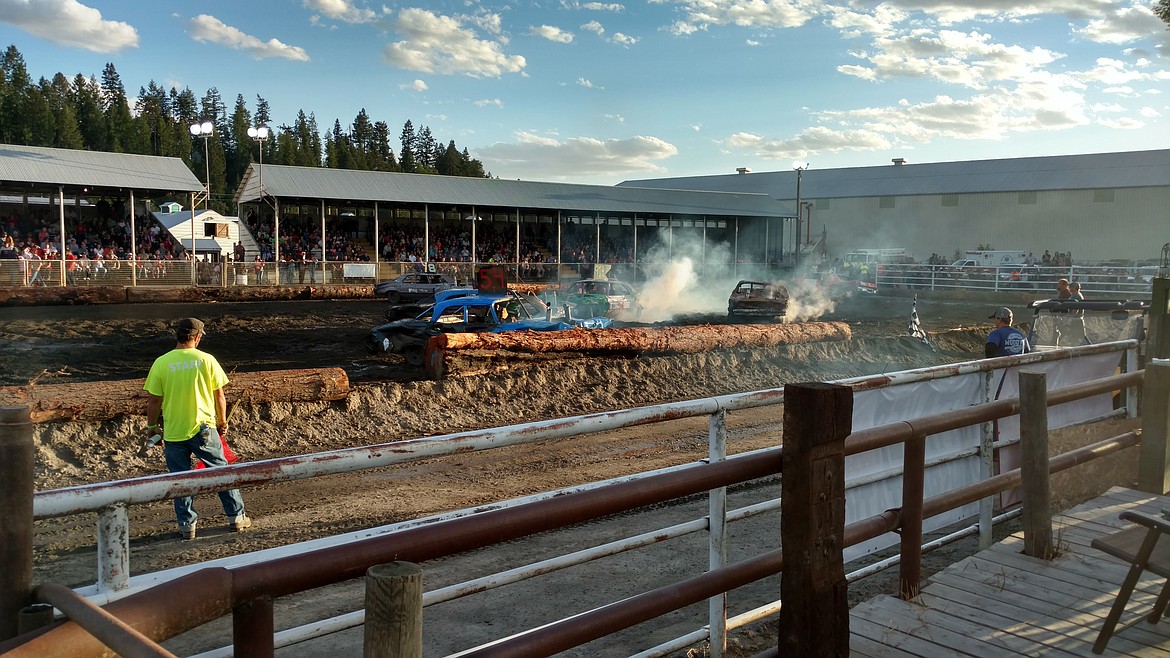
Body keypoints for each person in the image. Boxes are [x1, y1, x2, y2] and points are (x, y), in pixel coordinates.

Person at [143, 318, 252, 540]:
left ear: (178, 336)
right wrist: (222, 422)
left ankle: (186, 525)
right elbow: (219, 395)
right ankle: (236, 518)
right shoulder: (207, 360)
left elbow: (154, 401)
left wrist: (152, 427)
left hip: (174, 431)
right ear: (197, 337)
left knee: (181, 479)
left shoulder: (161, 362)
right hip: (204, 429)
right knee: (221, 472)